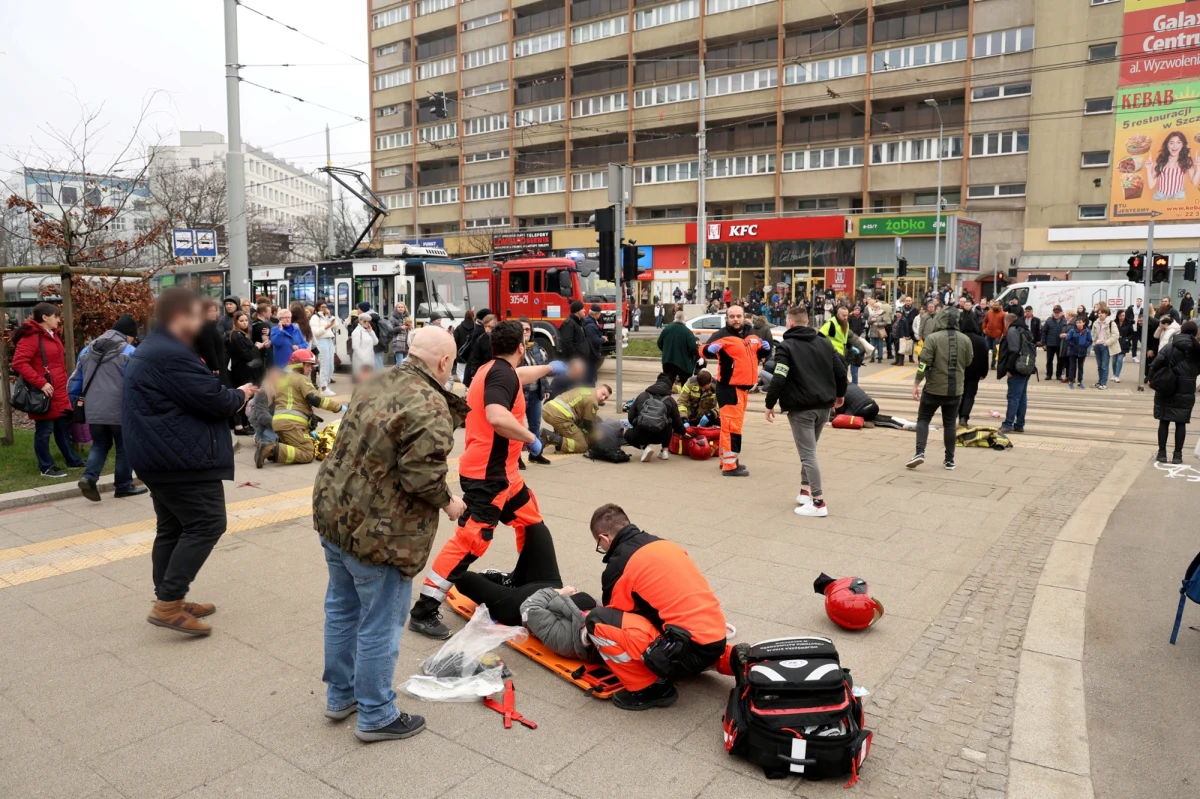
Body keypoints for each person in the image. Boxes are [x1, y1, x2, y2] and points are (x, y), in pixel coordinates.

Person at [314, 326, 467, 742]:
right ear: (444, 363)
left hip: (335, 515)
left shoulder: (377, 379)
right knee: (380, 623)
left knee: (342, 609)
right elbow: (422, 478)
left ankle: (340, 696)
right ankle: (377, 714)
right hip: (381, 534)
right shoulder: (431, 405)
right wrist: (451, 502)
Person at [408, 321, 563, 639]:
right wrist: (530, 437)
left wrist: (547, 368)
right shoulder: (501, 374)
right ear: (521, 348)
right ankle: (423, 610)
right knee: (471, 541)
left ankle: (522, 580)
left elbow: (519, 377)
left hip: (506, 476)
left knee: (531, 521)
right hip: (489, 477)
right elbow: (496, 415)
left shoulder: (492, 369)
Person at [123, 288, 259, 635]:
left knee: (172, 527)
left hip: (159, 454)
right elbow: (213, 400)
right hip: (179, 457)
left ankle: (169, 598)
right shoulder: (171, 354)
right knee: (207, 523)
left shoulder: (156, 347)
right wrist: (241, 394)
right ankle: (168, 604)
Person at [586, 504, 732, 710]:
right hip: (715, 637)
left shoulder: (619, 565)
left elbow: (616, 615)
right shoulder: (665, 544)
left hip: (684, 651)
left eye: (600, 545)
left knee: (598, 620)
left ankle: (649, 689)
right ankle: (728, 659)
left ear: (604, 538)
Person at [764, 307, 845, 516]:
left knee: (808, 454)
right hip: (824, 407)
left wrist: (769, 402)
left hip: (801, 408)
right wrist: (840, 394)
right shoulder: (825, 343)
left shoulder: (785, 347)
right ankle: (804, 490)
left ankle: (818, 502)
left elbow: (779, 377)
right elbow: (841, 371)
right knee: (810, 450)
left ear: (789, 323)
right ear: (807, 322)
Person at [67, 313, 146, 500]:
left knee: (100, 444)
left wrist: (77, 403)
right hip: (121, 410)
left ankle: (88, 477)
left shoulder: (87, 350)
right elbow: (138, 383)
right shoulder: (129, 352)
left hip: (94, 410)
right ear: (128, 335)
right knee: (124, 447)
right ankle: (123, 486)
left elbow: (73, 383)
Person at [11, 302, 85, 478]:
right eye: (56, 316)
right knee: (44, 430)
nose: (59, 319)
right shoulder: (32, 336)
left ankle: (71, 460)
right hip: (44, 392)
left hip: (57, 390)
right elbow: (19, 362)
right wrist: (40, 383)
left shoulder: (52, 335)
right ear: (44, 317)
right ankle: (46, 467)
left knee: (61, 427)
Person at [703, 306, 769, 476]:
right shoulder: (722, 335)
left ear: (744, 317)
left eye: (738, 316)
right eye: (732, 316)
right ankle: (730, 466)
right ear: (727, 318)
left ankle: (726, 460)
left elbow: (758, 353)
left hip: (743, 389)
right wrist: (706, 350)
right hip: (730, 388)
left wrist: (766, 349)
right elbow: (702, 349)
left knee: (730, 426)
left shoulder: (752, 333)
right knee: (732, 428)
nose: (735, 319)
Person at [254, 350, 346, 467]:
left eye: (311, 365)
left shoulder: (282, 380)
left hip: (279, 423)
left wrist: (309, 424)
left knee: (294, 448)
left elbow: (294, 402)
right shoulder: (301, 379)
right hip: (292, 424)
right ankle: (270, 448)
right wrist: (338, 407)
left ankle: (272, 451)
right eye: (307, 365)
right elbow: (315, 399)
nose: (310, 368)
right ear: (298, 365)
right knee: (307, 453)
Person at [909, 307, 973, 470]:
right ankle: (950, 460)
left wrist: (917, 382)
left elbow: (924, 362)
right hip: (955, 390)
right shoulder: (965, 339)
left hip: (933, 388)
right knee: (950, 424)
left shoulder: (932, 338)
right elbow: (968, 362)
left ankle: (919, 453)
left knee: (923, 419)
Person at [1148, 321, 1200, 464]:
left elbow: (1155, 364)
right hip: (1186, 390)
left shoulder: (1169, 347)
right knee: (1181, 423)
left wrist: (1150, 380)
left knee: (1164, 421)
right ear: (1195, 333)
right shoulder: (1197, 350)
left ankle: (1162, 453)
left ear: (1181, 331)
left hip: (1167, 388)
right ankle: (1178, 456)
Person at [624, 373, 688, 461]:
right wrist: (684, 432)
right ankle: (664, 451)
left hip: (642, 434)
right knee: (669, 421)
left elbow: (630, 416)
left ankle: (645, 447)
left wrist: (637, 423)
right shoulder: (670, 400)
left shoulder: (642, 396)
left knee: (627, 434)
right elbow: (677, 422)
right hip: (661, 436)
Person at [519, 317, 552, 466]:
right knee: (518, 427)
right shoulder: (514, 347)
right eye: (522, 329)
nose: (525, 332)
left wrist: (546, 387)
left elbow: (541, 369)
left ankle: (536, 454)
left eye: (527, 329)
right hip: (520, 394)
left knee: (535, 426)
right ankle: (516, 458)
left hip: (535, 392)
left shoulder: (535, 346)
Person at [540, 384, 612, 454]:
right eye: (603, 394)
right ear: (597, 389)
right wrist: (595, 438)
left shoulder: (584, 389)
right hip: (558, 416)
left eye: (605, 398)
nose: (603, 398)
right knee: (582, 445)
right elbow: (589, 424)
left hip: (548, 409)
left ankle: (557, 435)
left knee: (575, 428)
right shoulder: (592, 401)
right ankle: (549, 437)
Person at [227, 311, 265, 435]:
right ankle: (239, 426)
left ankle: (244, 424)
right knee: (243, 396)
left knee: (247, 397)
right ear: (236, 322)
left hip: (247, 371)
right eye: (241, 321)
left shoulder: (242, 335)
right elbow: (246, 354)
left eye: (245, 320)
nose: (244, 323)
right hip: (242, 372)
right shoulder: (237, 335)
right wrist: (257, 347)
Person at [997, 311, 1033, 433]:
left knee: (1013, 397)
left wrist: (1009, 368)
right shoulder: (1023, 329)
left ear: (1006, 323)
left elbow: (1013, 350)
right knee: (1022, 397)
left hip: (1017, 368)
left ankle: (1008, 424)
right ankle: (1019, 424)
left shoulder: (1012, 331)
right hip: (1026, 366)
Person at [820, 306, 872, 385]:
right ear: (838, 314)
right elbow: (819, 336)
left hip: (842, 353)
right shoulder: (831, 323)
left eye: (847, 315)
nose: (845, 317)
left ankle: (841, 391)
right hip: (833, 354)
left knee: (842, 374)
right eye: (843, 315)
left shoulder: (846, 324)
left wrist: (851, 347)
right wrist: (828, 348)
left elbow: (844, 339)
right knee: (839, 374)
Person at [956, 312, 989, 428]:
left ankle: (956, 414)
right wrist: (984, 372)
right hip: (975, 373)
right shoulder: (980, 340)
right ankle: (964, 417)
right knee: (969, 395)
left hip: (959, 371)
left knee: (959, 394)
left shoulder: (958, 338)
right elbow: (985, 358)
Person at [657, 310, 698, 388]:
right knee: (685, 386)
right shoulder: (687, 332)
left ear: (675, 318)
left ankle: (665, 398)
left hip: (667, 361)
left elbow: (659, 343)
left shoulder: (666, 329)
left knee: (667, 384)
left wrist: (666, 351)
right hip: (683, 364)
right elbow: (693, 347)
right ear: (684, 320)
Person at [195, 299, 230, 386]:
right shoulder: (206, 327)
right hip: (213, 366)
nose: (213, 313)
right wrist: (215, 366)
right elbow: (209, 348)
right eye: (210, 311)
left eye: (214, 310)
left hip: (219, 363)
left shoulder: (212, 325)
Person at [310, 301, 338, 396]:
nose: (324, 308)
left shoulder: (325, 316)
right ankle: (323, 387)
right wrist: (326, 327)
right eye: (322, 307)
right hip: (321, 340)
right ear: (317, 307)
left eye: (326, 306)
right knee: (324, 364)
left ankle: (326, 385)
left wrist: (330, 316)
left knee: (330, 364)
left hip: (329, 340)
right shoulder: (315, 317)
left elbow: (336, 326)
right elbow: (315, 332)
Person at [463, 313, 496, 386]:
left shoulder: (501, 338)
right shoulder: (480, 340)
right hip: (485, 372)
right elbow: (475, 359)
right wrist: (474, 374)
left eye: (490, 327)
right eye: (485, 326)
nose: (487, 330)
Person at [1091, 307, 1120, 390]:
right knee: (1099, 365)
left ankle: (1103, 383)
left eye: (1102, 313)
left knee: (1104, 365)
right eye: (1099, 313)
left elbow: (1115, 335)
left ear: (1106, 314)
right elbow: (1092, 333)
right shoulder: (1096, 323)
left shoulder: (1111, 323)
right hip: (1097, 345)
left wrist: (1106, 343)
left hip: (1105, 346)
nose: (1100, 314)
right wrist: (1094, 342)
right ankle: (1100, 381)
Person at [1064, 315, 1092, 390]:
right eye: (1077, 322)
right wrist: (1073, 345)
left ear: (1084, 323)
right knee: (1072, 367)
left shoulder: (1087, 331)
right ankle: (1071, 381)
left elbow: (1090, 340)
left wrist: (1085, 346)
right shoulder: (1072, 330)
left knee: (1080, 367)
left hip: (1082, 352)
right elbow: (1067, 340)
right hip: (1073, 351)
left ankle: (1080, 382)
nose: (1078, 324)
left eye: (1080, 322)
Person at [1041, 305, 1068, 381]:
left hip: (1061, 344)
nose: (1056, 314)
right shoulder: (1049, 321)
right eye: (1055, 312)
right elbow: (1044, 332)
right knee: (1049, 360)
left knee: (1060, 361)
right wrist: (1044, 344)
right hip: (1050, 344)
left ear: (1061, 313)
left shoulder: (1065, 321)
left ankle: (1058, 375)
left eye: (1058, 312)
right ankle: (1048, 375)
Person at [583, 304, 606, 385]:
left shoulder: (590, 322)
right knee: (590, 376)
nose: (600, 315)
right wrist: (603, 339)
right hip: (591, 354)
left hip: (591, 353)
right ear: (596, 314)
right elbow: (594, 340)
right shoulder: (590, 325)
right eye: (599, 313)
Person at [982, 301, 1007, 369]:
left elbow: (1005, 325)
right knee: (985, 349)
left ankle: (993, 364)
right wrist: (984, 328)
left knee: (995, 351)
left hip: (997, 336)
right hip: (988, 334)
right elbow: (985, 321)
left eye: (996, 305)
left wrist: (1003, 334)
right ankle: (984, 364)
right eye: (994, 305)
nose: (995, 306)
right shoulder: (989, 312)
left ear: (999, 306)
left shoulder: (1003, 314)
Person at [389, 301, 411, 366]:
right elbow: (390, 330)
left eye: (402, 307)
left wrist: (410, 327)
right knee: (400, 363)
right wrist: (401, 327)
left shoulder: (407, 317)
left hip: (406, 343)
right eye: (399, 307)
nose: (400, 308)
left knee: (405, 364)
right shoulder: (393, 318)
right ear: (396, 308)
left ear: (404, 308)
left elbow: (410, 330)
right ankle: (397, 375)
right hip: (398, 343)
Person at [1127, 297, 1145, 362]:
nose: (1139, 302)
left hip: (1137, 329)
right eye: (1138, 301)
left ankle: (1134, 356)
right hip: (1130, 329)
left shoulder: (1142, 310)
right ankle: (1123, 355)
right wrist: (1131, 321)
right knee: (1126, 342)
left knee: (1135, 343)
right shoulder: (1130, 309)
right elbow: (1126, 317)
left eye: (1140, 301)